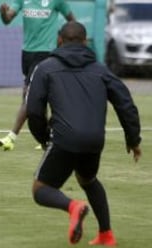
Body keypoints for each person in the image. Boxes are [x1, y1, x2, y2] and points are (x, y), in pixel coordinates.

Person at [26, 21, 142, 246]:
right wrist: (133, 139)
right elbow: (125, 102)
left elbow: (33, 109)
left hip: (65, 139)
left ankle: (74, 207)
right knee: (88, 179)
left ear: (59, 40)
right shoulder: (100, 69)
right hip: (95, 140)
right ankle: (106, 234)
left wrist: (43, 138)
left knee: (40, 190)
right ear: (85, 41)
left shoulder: (46, 67)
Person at [0, 0, 75, 151]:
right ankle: (45, 140)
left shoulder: (57, 2)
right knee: (39, 96)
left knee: (29, 94)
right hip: (27, 52)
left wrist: (63, 40)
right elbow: (7, 19)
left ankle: (11, 137)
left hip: (46, 52)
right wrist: (3, 12)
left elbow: (72, 22)